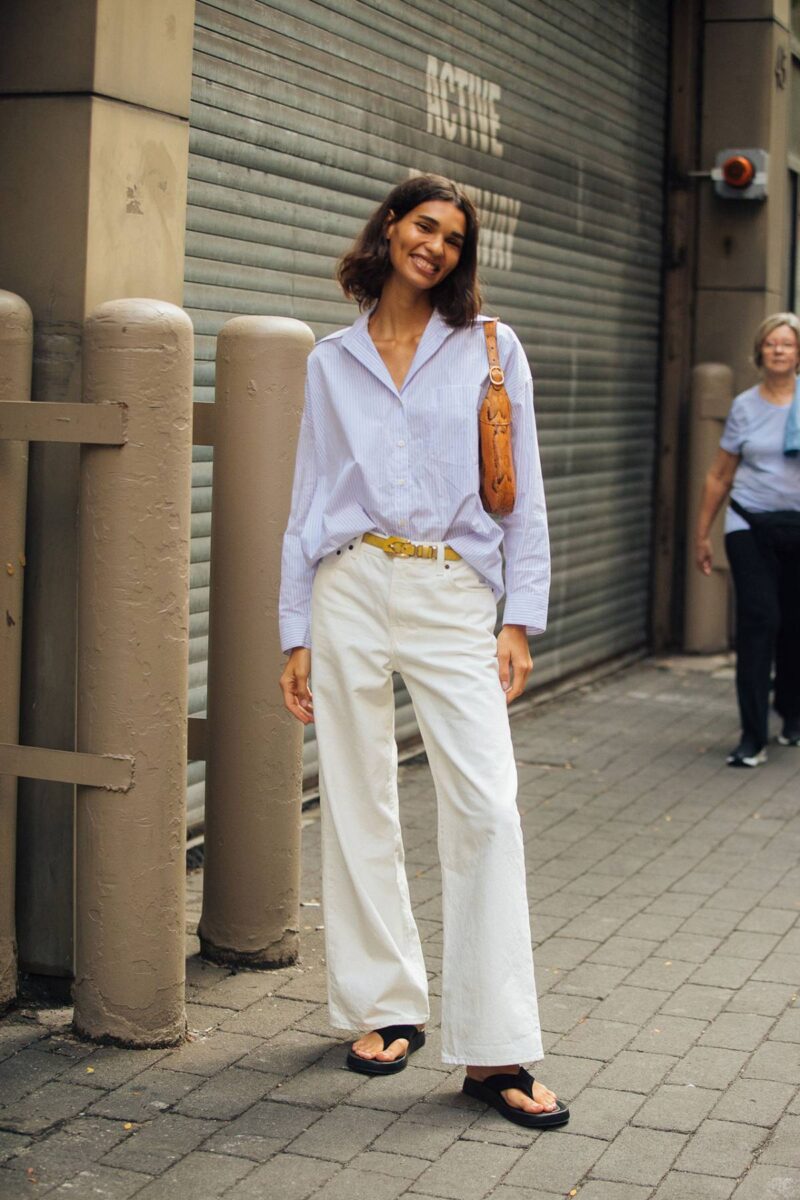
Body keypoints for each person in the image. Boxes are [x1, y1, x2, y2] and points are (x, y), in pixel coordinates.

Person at [278, 174, 568, 1130]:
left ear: (462, 257)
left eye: (453, 237)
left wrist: (518, 615)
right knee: (357, 795)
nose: (435, 246)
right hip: (350, 585)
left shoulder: (491, 348)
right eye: (423, 225)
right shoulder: (332, 360)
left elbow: (521, 486)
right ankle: (383, 1005)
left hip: (451, 592)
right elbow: (309, 499)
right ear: (390, 228)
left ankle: (495, 1050)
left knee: (486, 805)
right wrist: (294, 631)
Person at [694, 312, 800, 767]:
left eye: (787, 343)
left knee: (794, 627)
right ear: (759, 352)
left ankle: (791, 713)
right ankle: (752, 737)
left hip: (797, 528)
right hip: (749, 524)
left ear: (798, 354)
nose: (778, 350)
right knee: (761, 621)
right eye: (771, 343)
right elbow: (719, 475)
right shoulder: (743, 406)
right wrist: (703, 534)